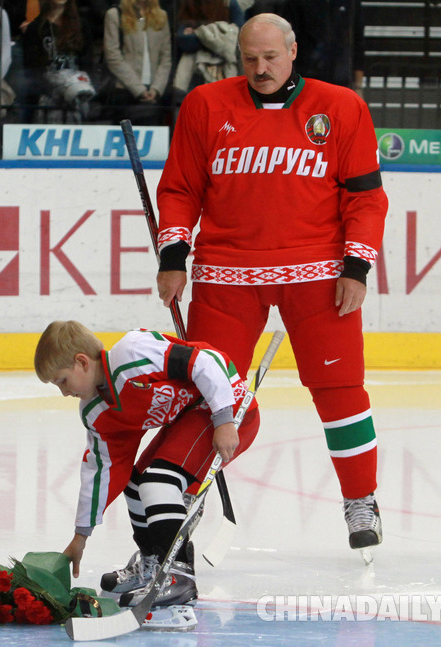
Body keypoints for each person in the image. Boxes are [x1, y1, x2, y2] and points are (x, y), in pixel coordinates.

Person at [155, 13, 387, 552]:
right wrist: (173, 254)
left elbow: (365, 198)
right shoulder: (206, 105)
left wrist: (356, 266)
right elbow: (181, 188)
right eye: (250, 59)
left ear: (293, 51)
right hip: (226, 274)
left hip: (319, 275)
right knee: (204, 394)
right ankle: (178, 502)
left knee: (340, 390)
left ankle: (360, 500)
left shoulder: (341, 106)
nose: (260, 69)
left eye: (271, 58)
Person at [34, 320, 260, 608]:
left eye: (62, 381)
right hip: (190, 419)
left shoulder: (131, 354)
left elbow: (207, 361)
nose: (64, 393)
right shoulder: (97, 410)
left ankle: (178, 574)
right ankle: (153, 563)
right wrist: (81, 535)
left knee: (159, 482)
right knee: (136, 482)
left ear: (81, 362)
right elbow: (103, 471)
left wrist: (224, 418)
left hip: (228, 410)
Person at [21, 0, 94, 123]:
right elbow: (32, 66)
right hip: (46, 94)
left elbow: (87, 63)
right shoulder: (36, 28)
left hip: (77, 92)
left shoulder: (81, 25)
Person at [100, 0, 171, 125]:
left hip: (154, 91)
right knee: (124, 139)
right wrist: (138, 89)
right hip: (124, 90)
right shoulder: (115, 14)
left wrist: (156, 88)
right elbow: (113, 56)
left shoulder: (162, 16)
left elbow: (166, 58)